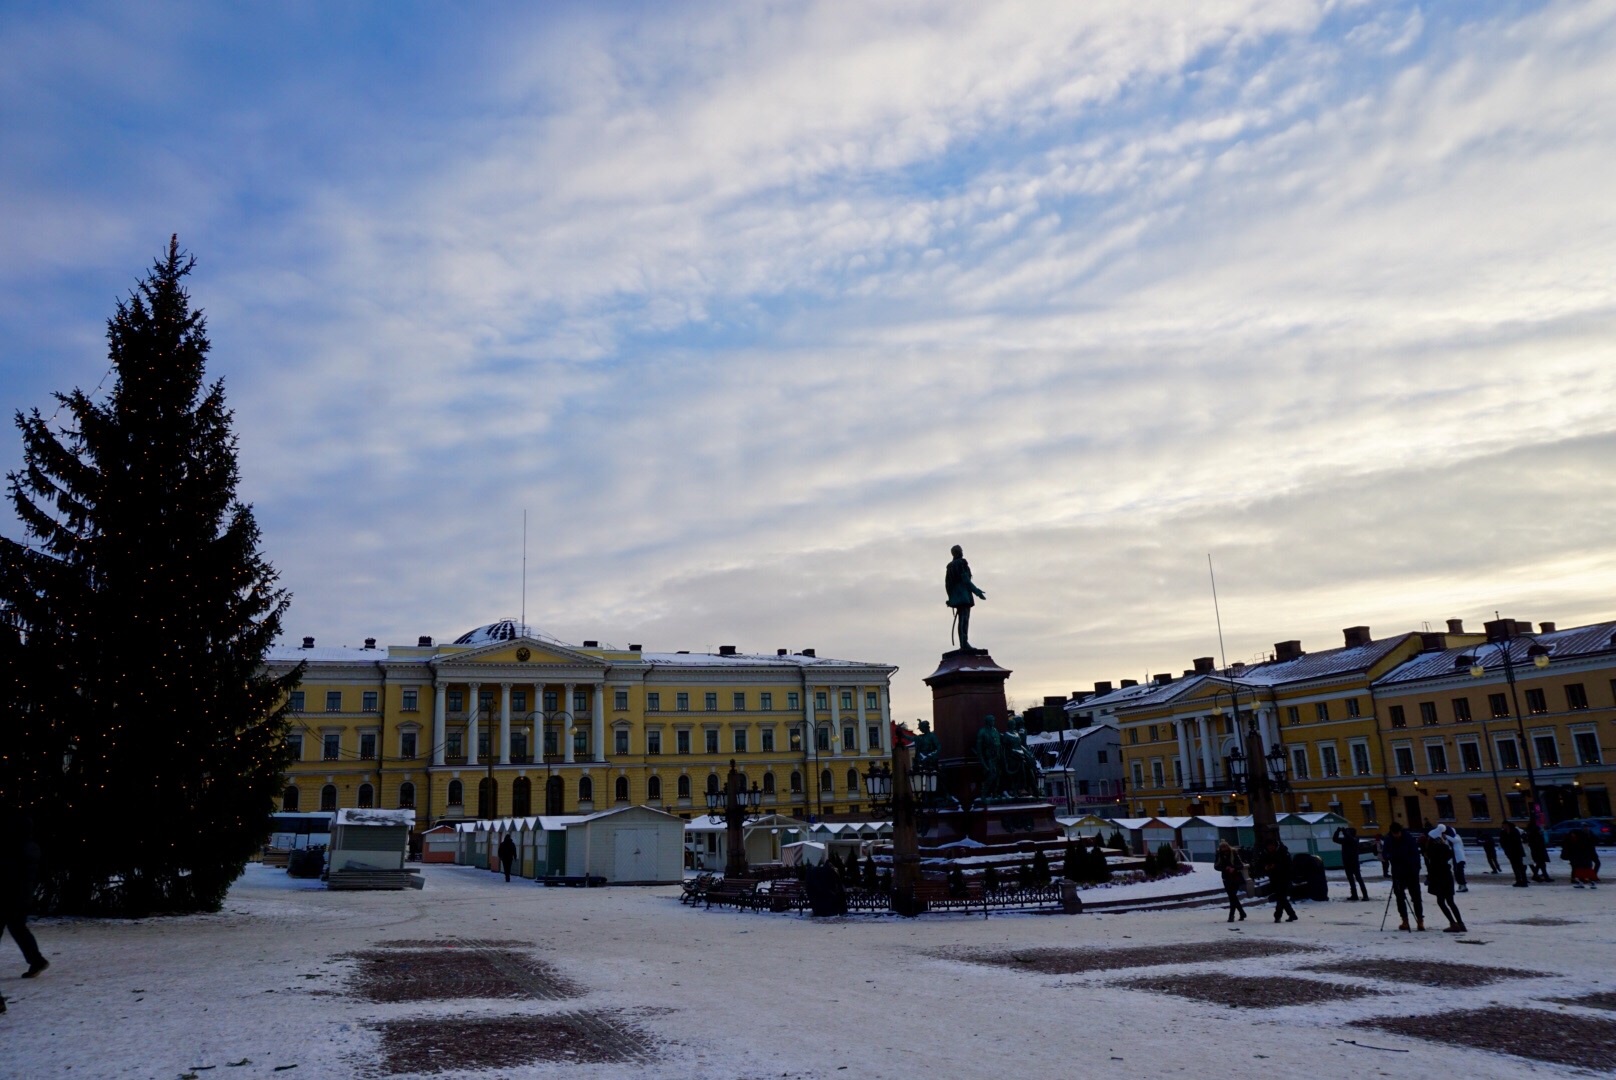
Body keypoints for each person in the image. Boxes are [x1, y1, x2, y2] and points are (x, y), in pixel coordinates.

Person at [0, 807, 49, 983]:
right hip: (21, 894)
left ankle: (37, 960)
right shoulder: (29, 847)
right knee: (18, 927)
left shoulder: (12, 849)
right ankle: (36, 960)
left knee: (17, 927)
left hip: (9, 895)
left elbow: (8, 873)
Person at [944, 544, 987, 651]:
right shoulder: (961, 563)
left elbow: (947, 584)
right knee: (964, 619)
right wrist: (977, 592)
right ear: (959, 552)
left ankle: (963, 642)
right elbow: (966, 581)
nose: (962, 552)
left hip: (956, 597)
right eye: (961, 550)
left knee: (962, 619)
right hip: (964, 596)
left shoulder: (949, 566)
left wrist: (951, 599)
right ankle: (964, 643)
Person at [1385, 821, 1425, 931]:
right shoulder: (1389, 839)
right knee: (1399, 897)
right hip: (1397, 872)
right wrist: (1389, 856)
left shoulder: (1408, 839)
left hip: (1411, 871)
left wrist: (1415, 868)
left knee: (1416, 897)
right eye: (1394, 834)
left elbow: (1415, 855)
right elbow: (1385, 853)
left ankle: (1420, 920)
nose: (1397, 835)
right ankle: (1405, 920)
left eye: (1398, 833)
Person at [1426, 825, 1466, 932]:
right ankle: (1460, 923)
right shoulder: (1446, 847)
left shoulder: (1433, 849)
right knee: (1450, 901)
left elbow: (1432, 865)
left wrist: (1429, 878)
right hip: (1447, 875)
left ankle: (1453, 923)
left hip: (1438, 877)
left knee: (1441, 901)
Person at [1254, 838, 1298, 923]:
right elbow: (1260, 863)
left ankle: (1278, 916)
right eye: (1268, 847)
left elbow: (1288, 865)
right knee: (1281, 898)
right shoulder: (1265, 853)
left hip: (1284, 877)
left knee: (1281, 897)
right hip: (1274, 877)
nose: (1270, 848)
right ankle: (1291, 914)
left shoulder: (1283, 852)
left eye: (1271, 846)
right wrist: (1265, 867)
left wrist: (1276, 866)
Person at [1333, 824, 1368, 901]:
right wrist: (1337, 832)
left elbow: (1350, 839)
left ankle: (1365, 895)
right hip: (1347, 863)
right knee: (1351, 880)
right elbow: (1335, 839)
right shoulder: (1346, 840)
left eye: (1348, 832)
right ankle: (1354, 895)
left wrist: (1344, 832)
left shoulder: (1354, 840)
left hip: (1354, 863)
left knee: (1359, 879)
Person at [1215, 840, 1248, 922]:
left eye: (1226, 850)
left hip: (1235, 877)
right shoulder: (1219, 855)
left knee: (1232, 896)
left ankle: (1231, 915)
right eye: (1223, 850)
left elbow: (1240, 865)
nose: (1225, 852)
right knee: (1232, 896)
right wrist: (1225, 868)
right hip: (1226, 877)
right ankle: (1242, 913)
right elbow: (1216, 866)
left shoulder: (1234, 854)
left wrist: (1234, 868)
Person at [1500, 820, 1530, 887]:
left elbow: (1517, 841)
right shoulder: (1504, 832)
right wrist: (1506, 849)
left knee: (1520, 866)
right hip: (1511, 852)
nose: (1503, 826)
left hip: (1517, 851)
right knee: (1515, 867)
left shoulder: (1514, 831)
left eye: (1504, 825)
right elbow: (1502, 842)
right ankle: (1519, 880)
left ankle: (1523, 881)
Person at [1443, 824, 1469, 893]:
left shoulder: (1457, 837)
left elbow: (1455, 840)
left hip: (1459, 858)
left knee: (1459, 872)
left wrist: (1446, 836)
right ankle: (1461, 885)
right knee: (1456, 872)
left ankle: (1463, 885)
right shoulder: (1450, 840)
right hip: (1456, 858)